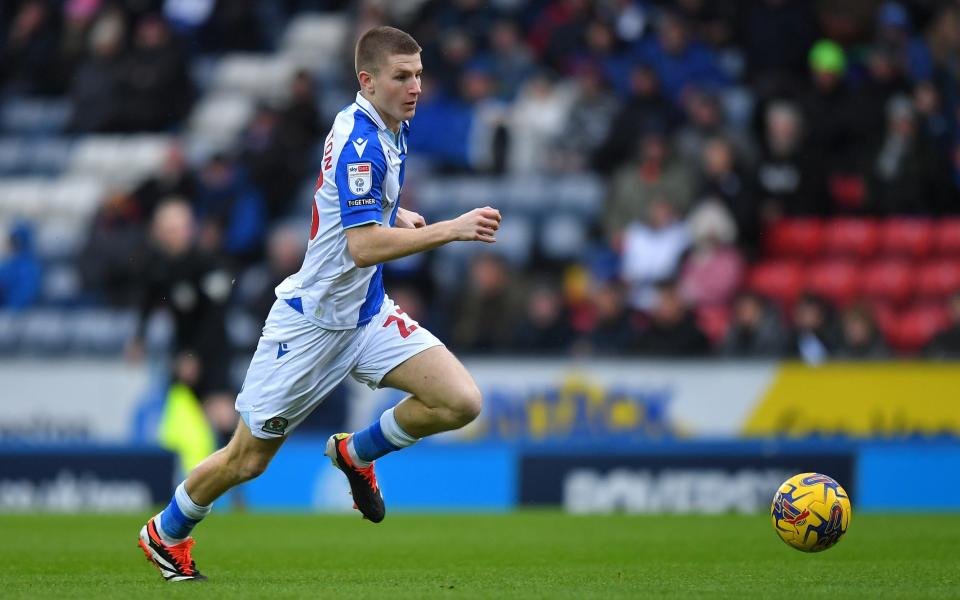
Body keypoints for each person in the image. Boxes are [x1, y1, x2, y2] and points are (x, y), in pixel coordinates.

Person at [137, 26, 502, 582]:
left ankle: (357, 453)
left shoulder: (382, 125)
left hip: (366, 314)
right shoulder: (362, 138)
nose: (416, 87)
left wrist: (392, 212)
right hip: (312, 325)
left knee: (459, 401)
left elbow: (344, 202)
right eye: (402, 77)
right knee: (247, 461)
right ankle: (166, 531)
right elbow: (361, 247)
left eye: (419, 76)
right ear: (368, 80)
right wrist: (450, 229)